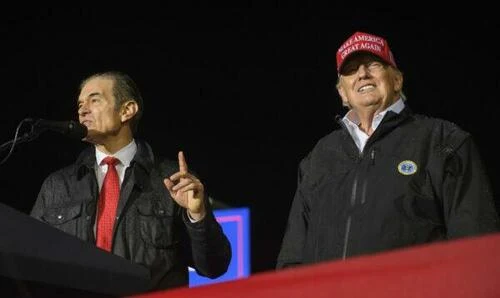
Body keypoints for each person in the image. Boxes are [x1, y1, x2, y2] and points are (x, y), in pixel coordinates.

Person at [276, 31, 500, 269]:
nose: (362, 74)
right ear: (343, 93)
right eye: (351, 70)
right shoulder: (318, 158)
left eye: (373, 64)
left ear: (396, 80)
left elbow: (477, 246)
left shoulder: (443, 141)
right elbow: (293, 257)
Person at [30, 71, 231, 291]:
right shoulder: (58, 186)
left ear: (127, 110)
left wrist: (197, 216)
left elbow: (215, 267)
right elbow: (29, 261)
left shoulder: (172, 180)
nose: (82, 110)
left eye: (94, 100)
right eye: (80, 104)